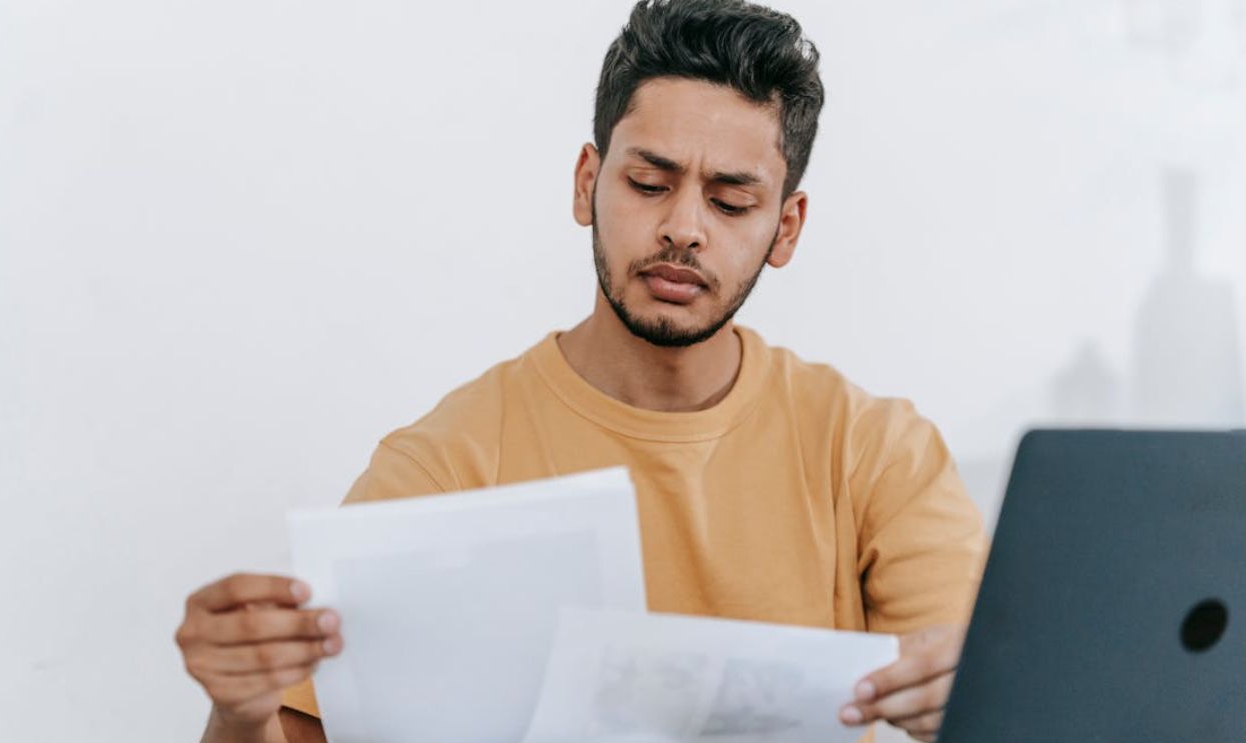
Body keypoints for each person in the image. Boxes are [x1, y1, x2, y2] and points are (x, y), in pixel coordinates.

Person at [174, 1, 986, 741]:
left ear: (786, 227)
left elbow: (998, 706)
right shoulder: (448, 463)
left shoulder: (875, 452)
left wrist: (981, 697)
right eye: (647, 182)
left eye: (731, 201)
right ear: (587, 183)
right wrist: (236, 711)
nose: (682, 229)